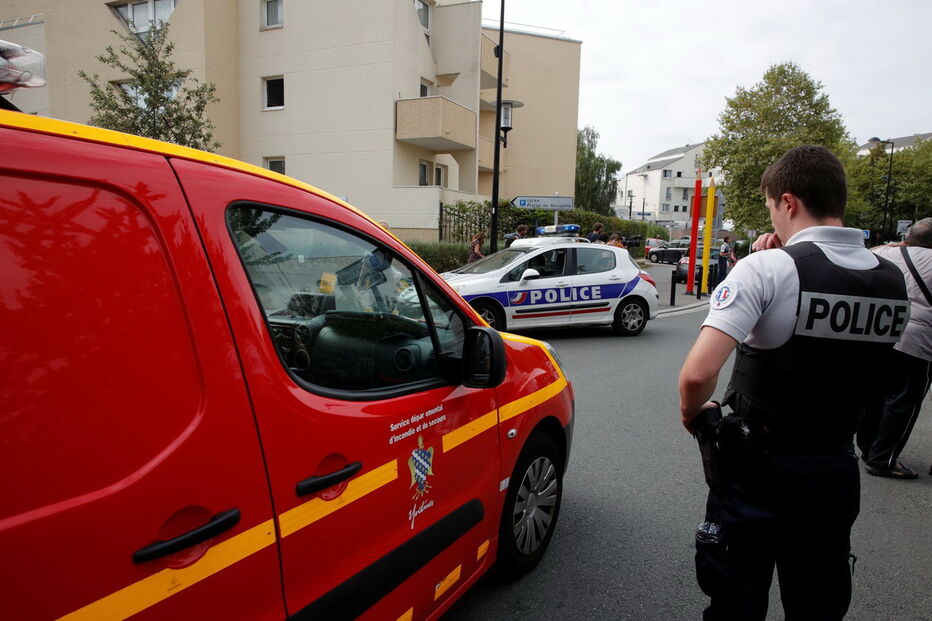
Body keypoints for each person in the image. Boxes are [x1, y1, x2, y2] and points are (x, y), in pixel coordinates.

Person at [678, 145, 910, 621]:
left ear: (788, 202)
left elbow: (699, 374)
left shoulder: (768, 268)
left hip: (758, 467)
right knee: (818, 599)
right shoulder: (891, 279)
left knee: (736, 597)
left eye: (770, 207)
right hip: (834, 467)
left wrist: (692, 413)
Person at [857, 217, 932, 479]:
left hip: (880, 333)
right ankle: (883, 458)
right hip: (916, 342)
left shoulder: (882, 253)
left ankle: (868, 448)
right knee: (903, 401)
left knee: (875, 394)